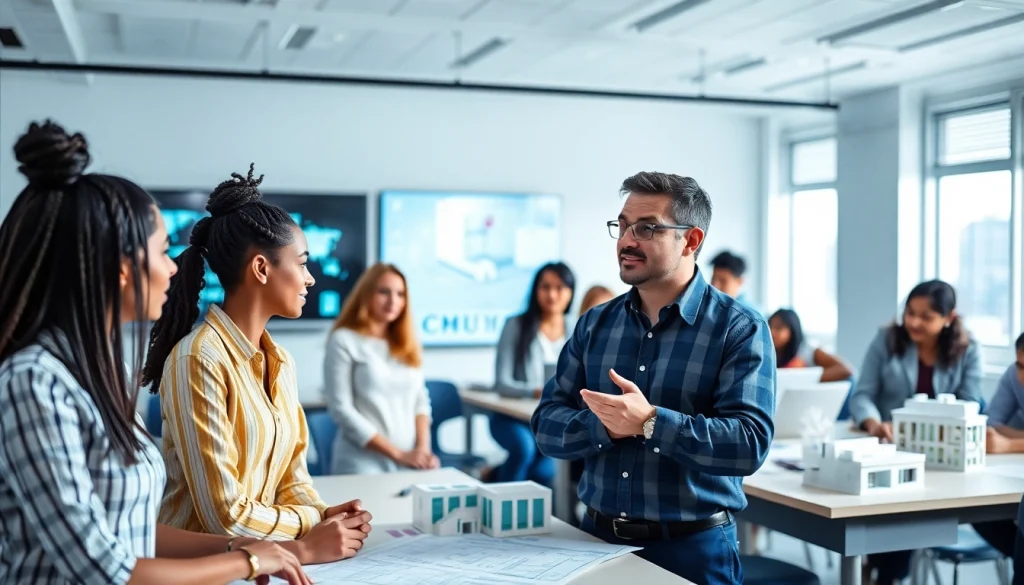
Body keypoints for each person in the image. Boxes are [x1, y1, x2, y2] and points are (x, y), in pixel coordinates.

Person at [0, 120, 310, 584]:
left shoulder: (109, 370)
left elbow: (134, 530)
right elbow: (103, 567)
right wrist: (248, 561)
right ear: (122, 269)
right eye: (162, 251)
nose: (173, 269)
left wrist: (241, 545)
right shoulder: (33, 382)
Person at [531, 172, 775, 585]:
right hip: (595, 543)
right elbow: (546, 427)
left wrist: (650, 423)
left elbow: (749, 444)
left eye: (646, 229)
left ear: (691, 240)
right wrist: (607, 426)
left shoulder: (739, 328)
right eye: (623, 225)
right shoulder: (595, 324)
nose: (626, 241)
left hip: (693, 550)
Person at [142, 164, 371, 563]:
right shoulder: (198, 359)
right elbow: (224, 517)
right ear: (262, 268)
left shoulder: (281, 361)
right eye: (301, 263)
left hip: (265, 561)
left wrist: (324, 515)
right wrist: (312, 523)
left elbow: (292, 480)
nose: (310, 279)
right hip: (201, 568)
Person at [848, 279, 981, 585]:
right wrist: (874, 423)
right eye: (910, 313)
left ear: (949, 318)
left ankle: (885, 575)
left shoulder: (968, 350)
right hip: (888, 448)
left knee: (914, 515)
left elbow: (972, 402)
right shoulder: (886, 339)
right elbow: (862, 394)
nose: (914, 322)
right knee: (895, 509)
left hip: (942, 455)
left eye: (926, 317)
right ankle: (885, 574)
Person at [322, 262, 438, 475]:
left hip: (409, 462)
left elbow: (421, 402)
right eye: (384, 292)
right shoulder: (344, 340)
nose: (393, 301)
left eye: (400, 294)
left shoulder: (406, 344)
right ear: (366, 294)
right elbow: (342, 410)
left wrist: (423, 450)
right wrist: (398, 454)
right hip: (361, 462)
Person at [491, 262, 576, 485]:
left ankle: (494, 476)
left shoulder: (577, 327)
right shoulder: (516, 325)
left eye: (559, 288)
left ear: (570, 292)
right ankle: (504, 503)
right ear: (535, 290)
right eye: (545, 287)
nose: (552, 295)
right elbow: (501, 383)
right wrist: (535, 391)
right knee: (524, 449)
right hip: (512, 418)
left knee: (545, 471)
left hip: (553, 419)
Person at [970, 331, 1024, 558]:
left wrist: (1009, 445)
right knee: (979, 514)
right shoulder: (1014, 375)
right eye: (1020, 366)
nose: (1022, 375)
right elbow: (993, 422)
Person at [769, 308, 853, 382]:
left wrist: (803, 377)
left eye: (778, 328)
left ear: (792, 330)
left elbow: (845, 370)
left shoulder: (809, 351)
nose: (772, 332)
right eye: (770, 327)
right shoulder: (770, 353)